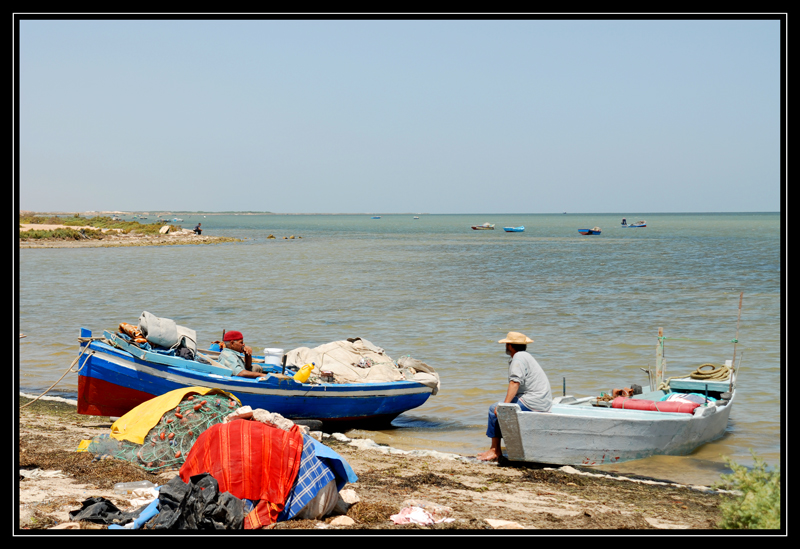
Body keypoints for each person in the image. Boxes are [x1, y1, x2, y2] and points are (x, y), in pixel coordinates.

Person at [477, 331, 552, 462]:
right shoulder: (525, 356)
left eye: (507, 344)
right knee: (500, 408)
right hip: (542, 401)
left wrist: (504, 405)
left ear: (510, 345)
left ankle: (495, 450)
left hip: (533, 401)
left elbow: (515, 382)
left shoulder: (518, 358)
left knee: (494, 409)